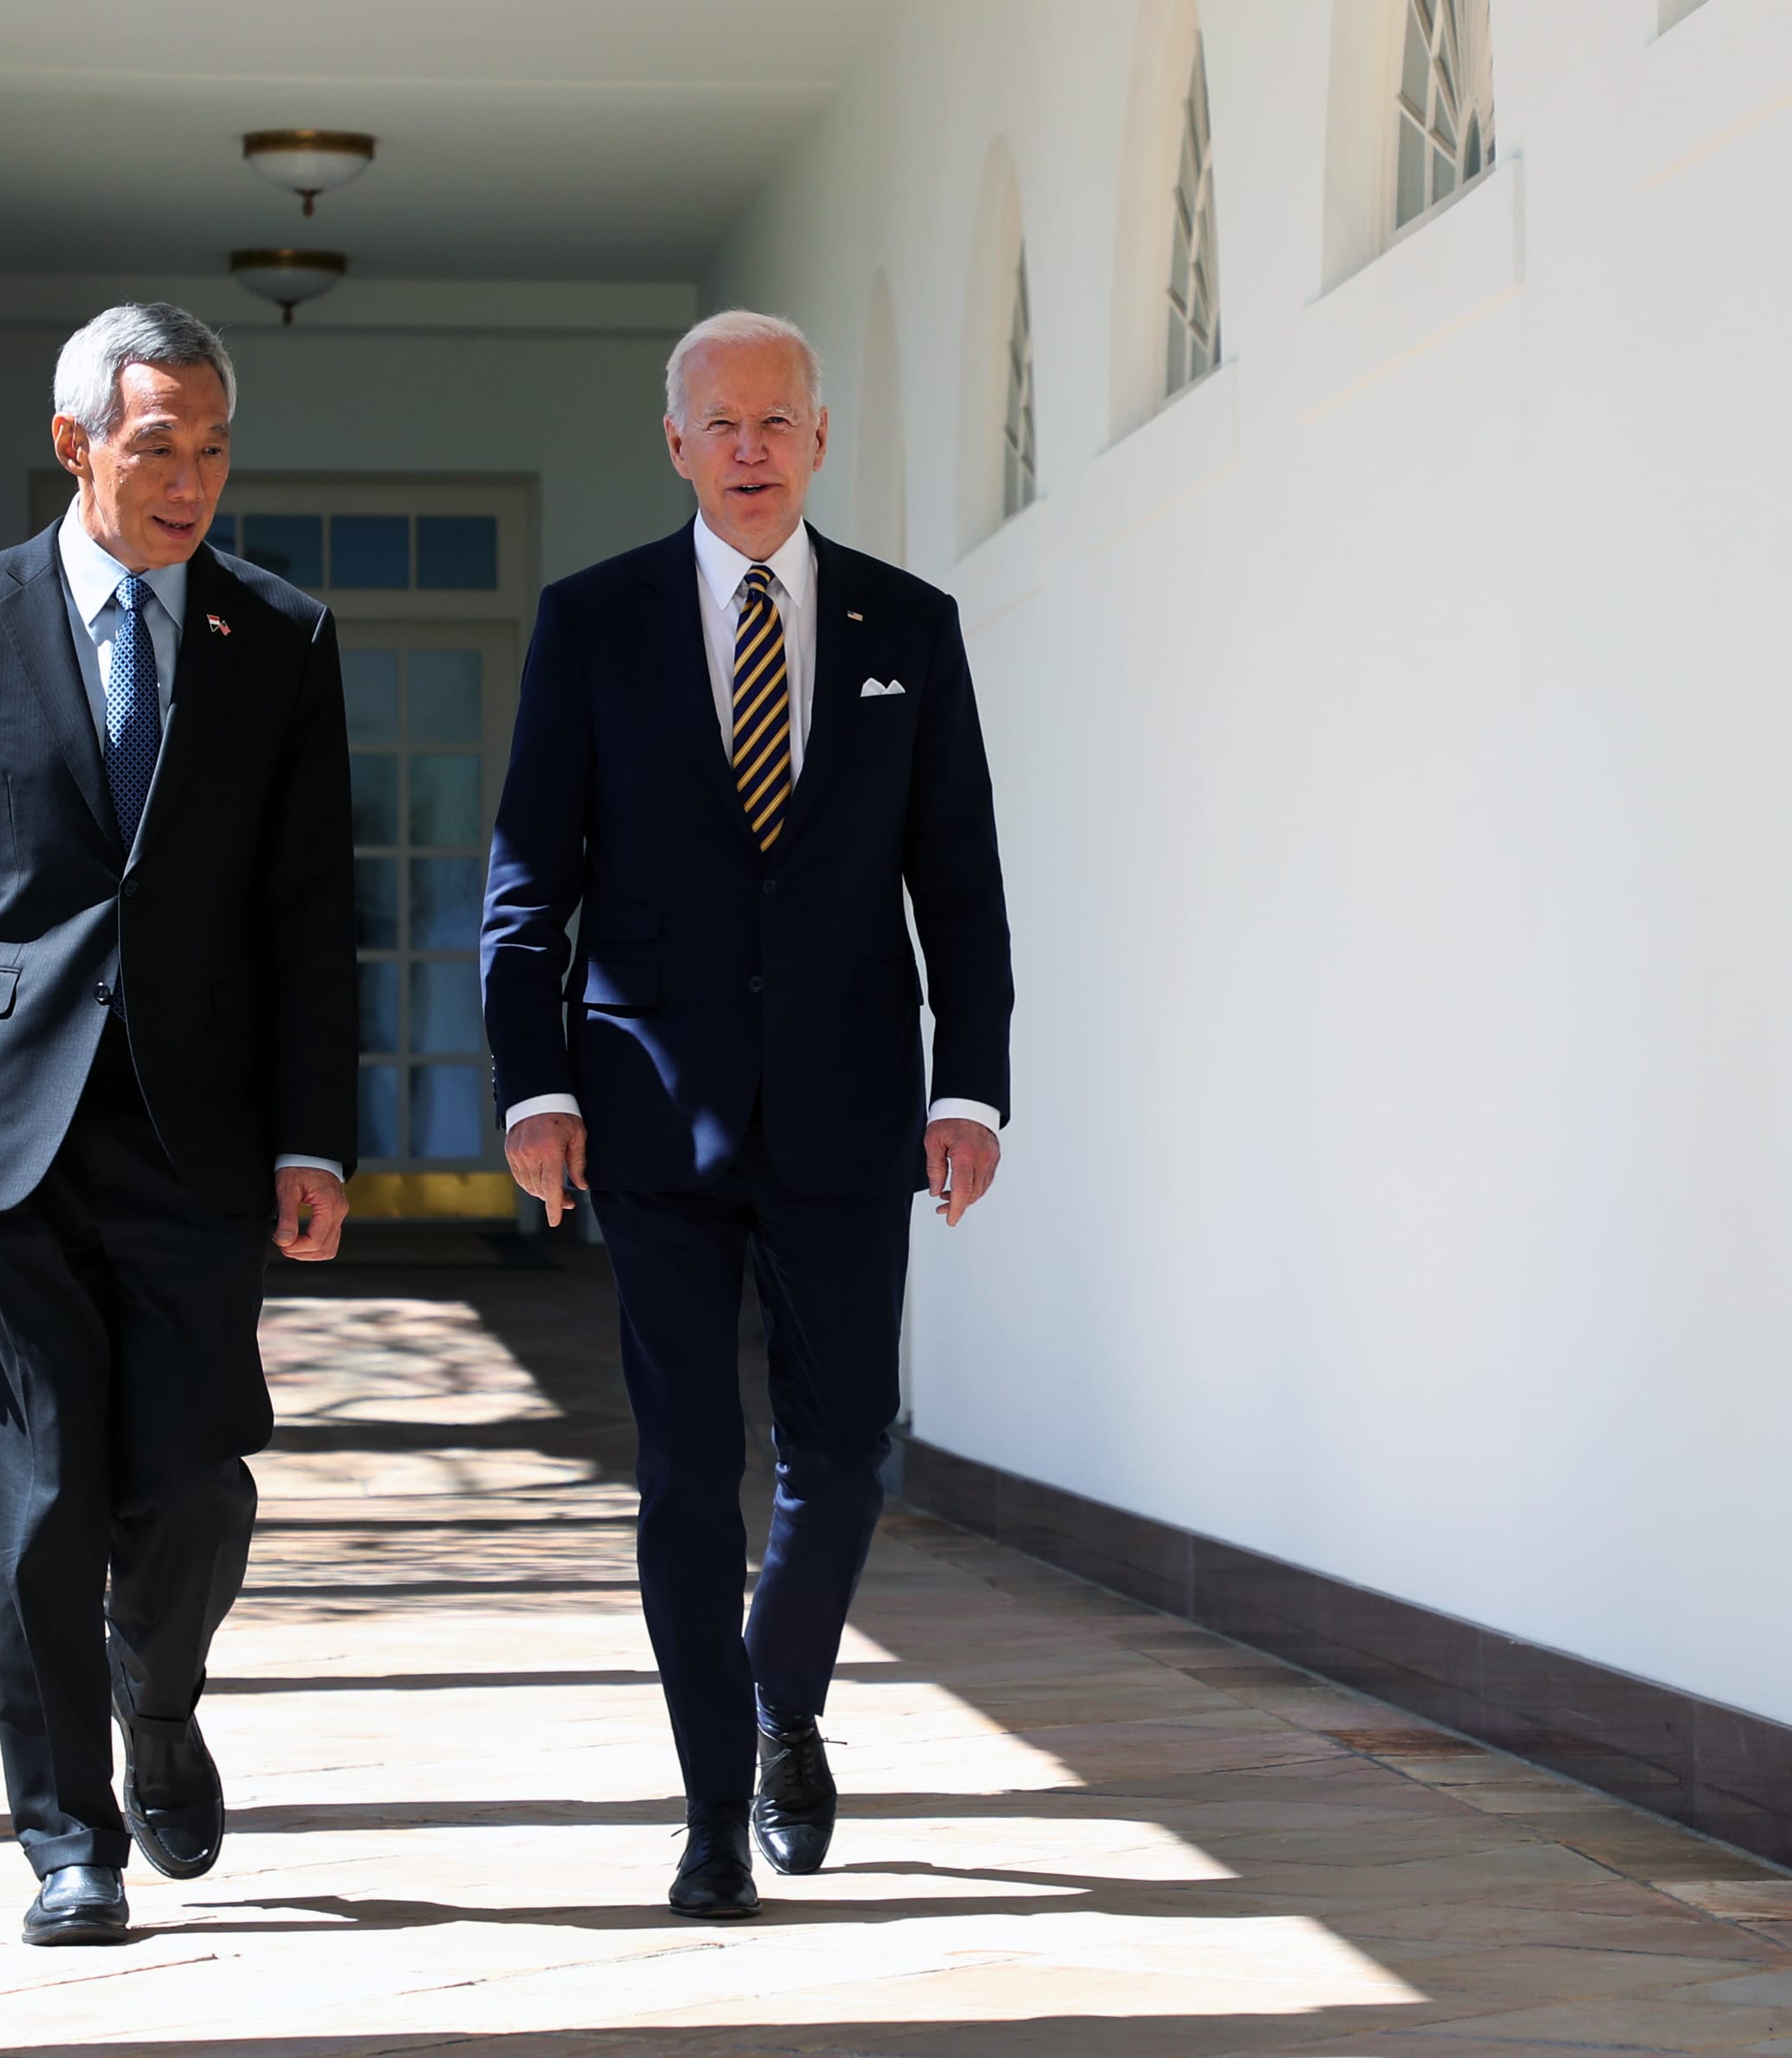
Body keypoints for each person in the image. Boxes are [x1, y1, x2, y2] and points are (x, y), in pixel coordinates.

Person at [480, 309, 1013, 1919]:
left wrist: (970, 1084)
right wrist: (535, 1084)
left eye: (780, 419)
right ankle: (715, 1808)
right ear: (677, 444)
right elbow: (528, 881)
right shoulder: (593, 624)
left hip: (854, 1116)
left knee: (846, 1455)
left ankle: (784, 1702)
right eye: (723, 422)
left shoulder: (909, 628)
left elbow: (962, 886)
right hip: (649, 1116)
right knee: (684, 1467)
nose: (754, 446)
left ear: (822, 436)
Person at [0, 302, 356, 1947]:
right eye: (158, 448)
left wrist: (314, 1137)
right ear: (75, 445)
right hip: (0, 1132)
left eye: (212, 449)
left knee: (199, 1484)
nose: (191, 480)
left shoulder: (280, 636)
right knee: (41, 1501)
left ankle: (159, 1699)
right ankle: (68, 1842)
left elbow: (308, 913)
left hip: (199, 1133)